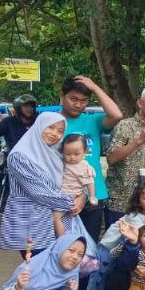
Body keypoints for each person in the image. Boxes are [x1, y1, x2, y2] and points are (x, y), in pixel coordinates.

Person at [0, 112, 84, 256]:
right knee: (38, 264)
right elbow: (39, 193)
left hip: (59, 220)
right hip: (32, 224)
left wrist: (82, 196)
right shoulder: (20, 156)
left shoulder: (58, 153)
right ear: (39, 126)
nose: (55, 134)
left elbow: (77, 176)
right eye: (50, 127)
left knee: (59, 263)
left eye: (60, 131)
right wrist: (72, 202)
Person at [58, 75, 123, 239]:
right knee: (63, 244)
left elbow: (116, 115)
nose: (78, 104)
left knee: (89, 244)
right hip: (63, 193)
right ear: (62, 96)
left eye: (84, 100)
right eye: (73, 99)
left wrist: (95, 87)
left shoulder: (92, 120)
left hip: (94, 193)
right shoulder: (52, 123)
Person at [104, 85, 145, 226]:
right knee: (115, 240)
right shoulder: (125, 126)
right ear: (140, 103)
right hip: (120, 201)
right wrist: (140, 140)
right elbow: (111, 158)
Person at [52, 134, 97, 237]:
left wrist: (92, 196)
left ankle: (62, 239)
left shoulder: (84, 166)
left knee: (56, 217)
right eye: (68, 154)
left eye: (76, 154)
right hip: (62, 194)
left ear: (85, 152)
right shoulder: (64, 163)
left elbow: (90, 182)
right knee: (65, 218)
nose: (72, 157)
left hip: (70, 195)